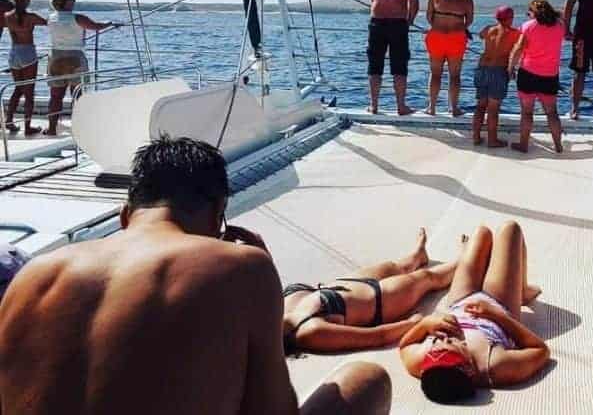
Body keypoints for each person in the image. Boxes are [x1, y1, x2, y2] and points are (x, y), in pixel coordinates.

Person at [0, 136, 391, 415]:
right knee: (367, 380)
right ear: (217, 214)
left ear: (125, 214)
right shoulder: (242, 267)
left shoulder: (35, 273)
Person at [398, 222, 549, 404]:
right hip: (499, 303)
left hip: (460, 301)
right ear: (469, 367)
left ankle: (504, 277)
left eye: (436, 341)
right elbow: (541, 351)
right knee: (509, 230)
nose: (444, 339)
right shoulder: (495, 365)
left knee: (481, 233)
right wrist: (497, 315)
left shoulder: (427, 362)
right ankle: (521, 291)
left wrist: (426, 324)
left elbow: (404, 346)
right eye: (451, 343)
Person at [284, 228, 457, 354]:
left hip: (344, 285)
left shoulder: (276, 308)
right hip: (381, 300)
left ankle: (418, 256)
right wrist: (413, 323)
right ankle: (466, 259)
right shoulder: (310, 332)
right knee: (428, 278)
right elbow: (376, 337)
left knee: (396, 266)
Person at [45, 0, 114, 136]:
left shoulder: (50, 18)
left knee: (56, 96)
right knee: (77, 95)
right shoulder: (77, 18)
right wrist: (109, 23)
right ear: (68, 2)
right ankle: (80, 127)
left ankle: (51, 128)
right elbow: (96, 26)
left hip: (56, 57)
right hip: (75, 57)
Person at [508, 0, 565, 154]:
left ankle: (523, 144)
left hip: (528, 74)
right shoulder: (560, 27)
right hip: (550, 76)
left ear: (533, 13)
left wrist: (510, 67)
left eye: (529, 13)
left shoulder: (528, 27)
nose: (528, 16)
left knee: (527, 112)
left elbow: (518, 49)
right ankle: (558, 146)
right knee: (552, 113)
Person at [367, 0, 419, 115]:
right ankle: (401, 106)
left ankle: (374, 105)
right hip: (398, 24)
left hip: (377, 23)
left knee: (375, 65)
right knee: (399, 66)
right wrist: (409, 21)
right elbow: (415, 3)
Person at [425, 0, 474, 117]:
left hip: (436, 36)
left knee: (435, 74)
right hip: (456, 38)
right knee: (455, 75)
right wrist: (460, 27)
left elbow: (428, 16)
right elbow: (470, 19)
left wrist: (437, 25)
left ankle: (431, 107)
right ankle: (453, 108)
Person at [472, 6, 520, 147]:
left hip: (481, 69)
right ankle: (492, 140)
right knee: (493, 109)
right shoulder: (514, 33)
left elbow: (481, 35)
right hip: (498, 71)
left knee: (480, 106)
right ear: (510, 19)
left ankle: (476, 137)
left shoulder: (488, 29)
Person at [4, 0, 48, 135]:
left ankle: (9, 121)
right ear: (28, 1)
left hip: (14, 53)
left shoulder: (7, 16)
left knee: (17, 89)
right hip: (28, 52)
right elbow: (49, 23)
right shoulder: (32, 17)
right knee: (29, 92)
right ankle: (28, 127)